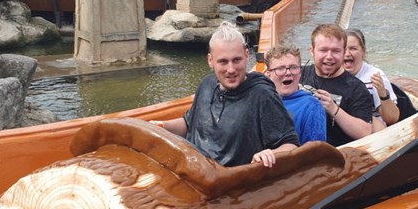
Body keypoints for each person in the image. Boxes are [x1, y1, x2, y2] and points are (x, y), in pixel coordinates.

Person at [151, 21, 299, 168]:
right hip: (194, 172)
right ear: (211, 61)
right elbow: (189, 124)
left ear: (247, 56)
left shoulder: (262, 95)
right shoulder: (207, 85)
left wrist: (271, 154)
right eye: (223, 62)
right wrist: (161, 126)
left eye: (236, 60)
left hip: (231, 180)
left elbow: (291, 144)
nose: (231, 69)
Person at [300, 24, 373, 147]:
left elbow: (365, 132)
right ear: (312, 51)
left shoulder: (356, 88)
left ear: (344, 52)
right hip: (299, 149)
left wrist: (334, 109)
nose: (329, 57)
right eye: (323, 50)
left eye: (336, 51)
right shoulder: (298, 74)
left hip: (337, 154)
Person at [265, 45, 326, 145]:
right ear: (268, 74)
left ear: (300, 73)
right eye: (280, 68)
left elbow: (315, 153)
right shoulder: (260, 102)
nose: (288, 73)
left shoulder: (312, 106)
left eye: (293, 67)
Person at [344, 28, 399, 132]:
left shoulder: (375, 76)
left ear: (363, 51)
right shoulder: (332, 74)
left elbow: (392, 119)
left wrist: (383, 93)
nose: (347, 54)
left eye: (353, 49)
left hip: (374, 132)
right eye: (343, 49)